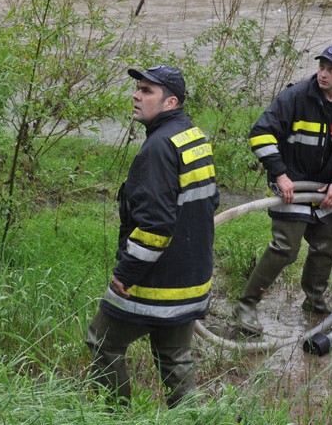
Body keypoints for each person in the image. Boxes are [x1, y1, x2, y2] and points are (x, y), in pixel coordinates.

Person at [85, 65, 219, 408]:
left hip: (154, 283)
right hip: (191, 279)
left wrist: (125, 274)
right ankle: (190, 417)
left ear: (170, 101)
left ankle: (114, 415)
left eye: (146, 91)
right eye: (138, 88)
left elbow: (156, 227)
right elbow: (208, 203)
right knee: (174, 356)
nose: (136, 95)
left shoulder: (158, 149)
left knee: (102, 340)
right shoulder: (193, 135)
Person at [234, 43, 332, 336]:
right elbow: (260, 134)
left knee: (325, 246)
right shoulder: (295, 97)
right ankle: (246, 305)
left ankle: (315, 302)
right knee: (286, 247)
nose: (323, 73)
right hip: (292, 184)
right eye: (321, 67)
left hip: (324, 189)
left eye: (331, 69)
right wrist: (280, 174)